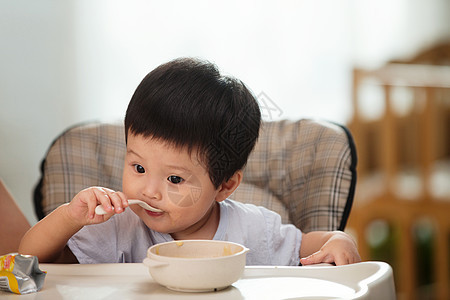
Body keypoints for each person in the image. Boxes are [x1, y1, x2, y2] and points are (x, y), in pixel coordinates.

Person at [19, 57, 361, 266]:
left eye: (175, 180)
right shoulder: (117, 230)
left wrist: (339, 241)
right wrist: (69, 216)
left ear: (225, 185)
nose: (149, 191)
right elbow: (31, 259)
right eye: (138, 168)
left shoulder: (253, 231)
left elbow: (309, 246)